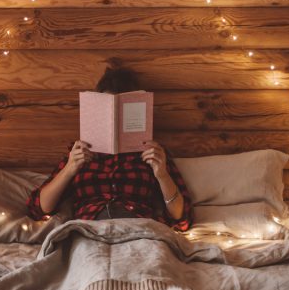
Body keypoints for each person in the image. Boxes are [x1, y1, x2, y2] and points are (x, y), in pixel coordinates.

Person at [27, 67, 193, 231]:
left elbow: (182, 219)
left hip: (139, 227)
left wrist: (162, 175)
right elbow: (39, 209)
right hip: (90, 227)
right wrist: (70, 168)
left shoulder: (152, 153)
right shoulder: (79, 153)